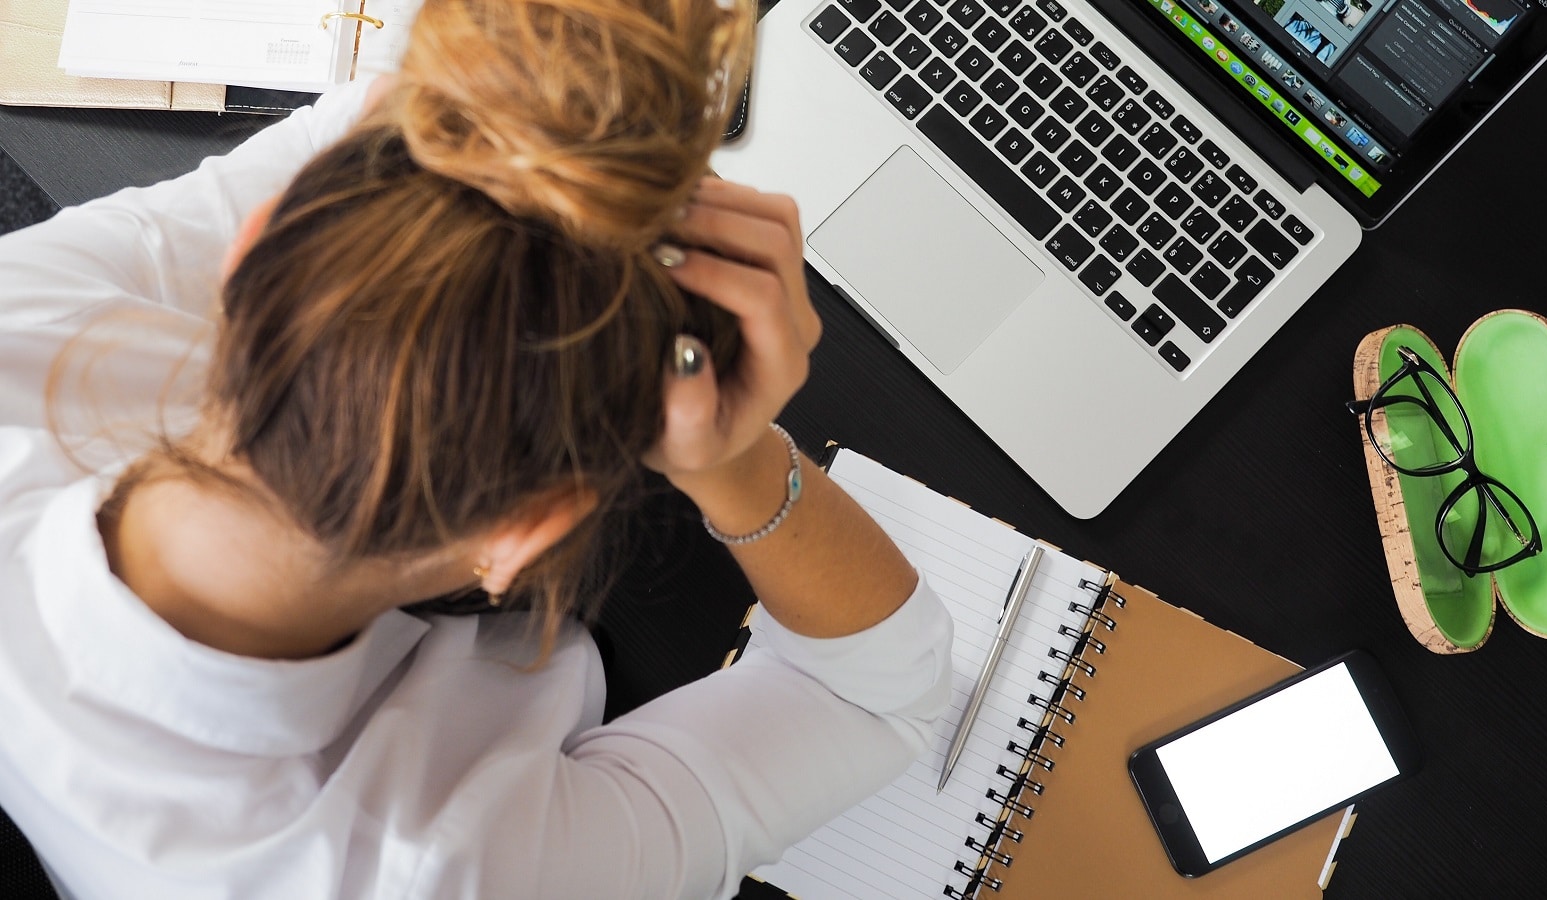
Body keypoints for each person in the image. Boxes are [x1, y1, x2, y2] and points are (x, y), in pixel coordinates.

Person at [0, 0, 954, 896]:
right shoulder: (449, 871)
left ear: (250, 250)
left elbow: (376, 122)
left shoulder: (19, 331)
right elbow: (873, 696)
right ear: (526, 533)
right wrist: (735, 461)